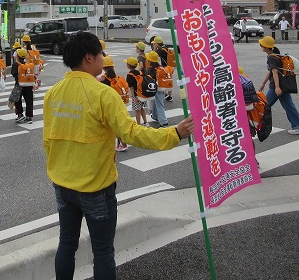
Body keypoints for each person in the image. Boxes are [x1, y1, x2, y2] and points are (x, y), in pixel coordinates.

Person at [42, 31, 194, 280]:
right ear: (89, 57)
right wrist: (174, 134)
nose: (104, 57)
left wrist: (58, 170)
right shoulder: (103, 93)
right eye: (101, 53)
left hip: (62, 183)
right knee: (102, 251)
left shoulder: (53, 93)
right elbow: (132, 133)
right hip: (96, 187)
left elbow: (48, 140)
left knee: (66, 245)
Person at [258, 36, 299, 134]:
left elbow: (274, 72)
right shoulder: (276, 55)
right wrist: (263, 83)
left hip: (277, 87)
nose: (260, 46)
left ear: (265, 46)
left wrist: (276, 87)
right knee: (289, 106)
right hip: (283, 86)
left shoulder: (271, 57)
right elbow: (270, 71)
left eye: (262, 44)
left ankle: (256, 125)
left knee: (264, 106)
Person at [100, 56, 129, 151]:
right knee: (117, 123)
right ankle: (121, 143)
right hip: (120, 102)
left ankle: (123, 144)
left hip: (110, 104)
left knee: (113, 125)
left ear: (103, 68)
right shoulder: (116, 76)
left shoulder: (104, 79)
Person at [145, 50, 169, 127]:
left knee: (159, 104)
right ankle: (155, 116)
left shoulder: (149, 70)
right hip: (162, 87)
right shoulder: (160, 67)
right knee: (157, 102)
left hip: (156, 89)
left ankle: (164, 121)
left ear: (150, 61)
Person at [12, 48, 35, 124]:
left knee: (17, 100)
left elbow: (14, 74)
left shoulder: (16, 64)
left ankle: (20, 114)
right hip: (29, 85)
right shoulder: (28, 64)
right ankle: (29, 116)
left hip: (19, 85)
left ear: (17, 56)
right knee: (29, 100)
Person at [124, 56, 148, 127]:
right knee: (141, 108)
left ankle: (138, 124)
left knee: (137, 110)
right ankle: (145, 121)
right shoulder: (139, 72)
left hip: (136, 95)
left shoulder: (129, 75)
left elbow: (131, 87)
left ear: (128, 66)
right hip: (142, 94)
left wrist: (133, 96)